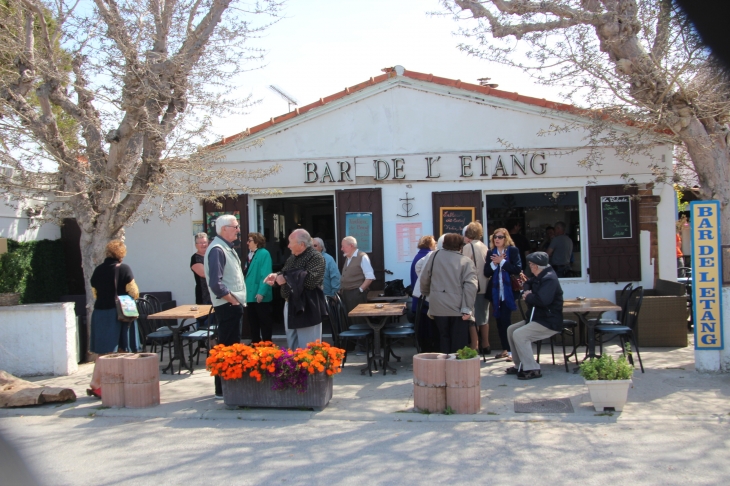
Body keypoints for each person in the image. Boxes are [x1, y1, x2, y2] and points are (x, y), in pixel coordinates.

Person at [87, 239, 140, 398]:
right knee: (119, 349)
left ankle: (102, 384)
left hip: (100, 312)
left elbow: (95, 293)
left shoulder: (98, 270)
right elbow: (134, 292)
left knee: (103, 350)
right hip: (118, 314)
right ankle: (100, 384)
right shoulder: (124, 269)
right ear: (121, 254)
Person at [205, 214, 246, 399]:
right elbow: (216, 283)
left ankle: (228, 387)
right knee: (228, 348)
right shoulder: (217, 250)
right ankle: (224, 389)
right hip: (227, 305)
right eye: (235, 226)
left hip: (231, 305)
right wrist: (232, 300)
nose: (238, 230)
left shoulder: (224, 248)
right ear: (224, 229)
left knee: (230, 346)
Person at [504, 252, 564, 380]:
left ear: (535, 266)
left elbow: (543, 300)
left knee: (520, 334)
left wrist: (528, 296)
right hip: (538, 318)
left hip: (548, 321)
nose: (529, 266)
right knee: (511, 330)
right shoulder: (540, 276)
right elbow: (528, 283)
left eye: (530, 264)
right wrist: (527, 290)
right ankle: (519, 364)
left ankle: (532, 368)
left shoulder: (549, 279)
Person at [265, 229, 326, 349]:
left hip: (307, 306)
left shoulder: (315, 257)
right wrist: (276, 276)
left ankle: (308, 368)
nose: (288, 246)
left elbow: (310, 281)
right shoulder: (292, 257)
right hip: (290, 304)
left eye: (290, 242)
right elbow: (285, 273)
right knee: (292, 345)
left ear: (301, 244)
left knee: (308, 347)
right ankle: (295, 368)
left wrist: (286, 278)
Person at [420, 233, 478, 354]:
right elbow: (471, 286)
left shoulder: (434, 256)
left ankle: (442, 368)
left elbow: (425, 277)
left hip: (438, 307)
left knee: (442, 339)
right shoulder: (466, 261)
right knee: (458, 343)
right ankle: (455, 369)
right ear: (460, 246)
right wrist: (467, 307)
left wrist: (426, 293)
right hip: (458, 308)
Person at [484, 228, 523, 361]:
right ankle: (505, 349)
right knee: (499, 322)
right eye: (495, 237)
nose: (497, 239)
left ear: (506, 238)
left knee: (506, 320)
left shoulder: (513, 251)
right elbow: (486, 272)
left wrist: (502, 262)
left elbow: (517, 268)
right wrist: (495, 264)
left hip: (509, 292)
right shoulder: (490, 252)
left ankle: (512, 351)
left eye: (500, 237)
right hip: (496, 293)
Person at [462, 222, 490, 355]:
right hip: (485, 285)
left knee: (471, 317)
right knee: (484, 316)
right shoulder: (485, 247)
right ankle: (486, 344)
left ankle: (475, 346)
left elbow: (465, 266)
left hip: (474, 286)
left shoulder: (468, 247)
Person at [410, 235, 439, 352]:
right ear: (430, 244)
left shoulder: (418, 256)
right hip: (425, 300)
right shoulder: (428, 257)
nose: (436, 245)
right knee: (428, 329)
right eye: (434, 243)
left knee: (423, 329)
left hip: (418, 300)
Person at [244, 232, 273, 343]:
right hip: (250, 295)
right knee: (253, 322)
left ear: (256, 242)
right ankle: (255, 344)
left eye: (249, 240)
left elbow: (265, 274)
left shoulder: (264, 253)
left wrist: (261, 292)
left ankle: (267, 345)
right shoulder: (250, 254)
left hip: (260, 294)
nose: (247, 243)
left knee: (264, 322)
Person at [338, 236, 375, 320]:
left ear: (351, 245)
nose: (341, 249)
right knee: (348, 319)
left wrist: (359, 290)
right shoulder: (348, 258)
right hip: (346, 293)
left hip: (356, 294)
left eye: (343, 246)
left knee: (358, 320)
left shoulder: (362, 257)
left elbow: (370, 277)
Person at [190, 233, 212, 328]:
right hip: (204, 295)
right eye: (200, 243)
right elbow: (203, 274)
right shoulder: (195, 258)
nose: (203, 245)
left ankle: (215, 342)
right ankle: (203, 342)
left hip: (216, 294)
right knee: (205, 322)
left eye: (205, 242)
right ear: (196, 245)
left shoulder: (212, 255)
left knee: (215, 323)